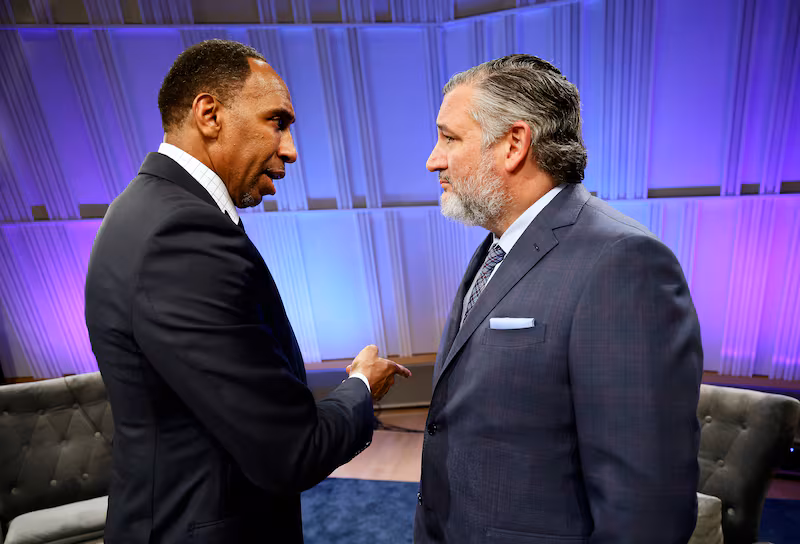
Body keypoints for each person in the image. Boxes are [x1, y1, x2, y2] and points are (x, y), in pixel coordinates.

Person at [85, 39, 410, 544]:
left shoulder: (142, 208)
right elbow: (291, 452)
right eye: (276, 122)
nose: (291, 150)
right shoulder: (183, 237)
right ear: (209, 114)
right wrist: (362, 387)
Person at [414, 54, 702, 543]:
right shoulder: (497, 245)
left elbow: (646, 504)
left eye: (450, 137)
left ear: (514, 144)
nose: (433, 159)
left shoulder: (623, 262)